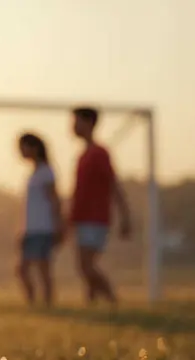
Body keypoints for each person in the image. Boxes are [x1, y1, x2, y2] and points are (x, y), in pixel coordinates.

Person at [68, 106, 132, 305]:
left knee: (85, 265)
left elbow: (113, 184)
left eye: (77, 121)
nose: (73, 126)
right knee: (85, 264)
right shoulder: (83, 155)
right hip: (82, 217)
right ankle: (91, 304)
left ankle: (112, 300)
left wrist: (125, 215)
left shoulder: (99, 153)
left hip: (95, 217)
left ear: (89, 123)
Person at [17, 132, 63, 306]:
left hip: (44, 228)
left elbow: (54, 200)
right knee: (22, 269)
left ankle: (47, 302)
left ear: (34, 148)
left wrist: (59, 225)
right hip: (31, 228)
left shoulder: (46, 172)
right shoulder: (34, 173)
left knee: (43, 268)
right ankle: (33, 300)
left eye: (23, 147)